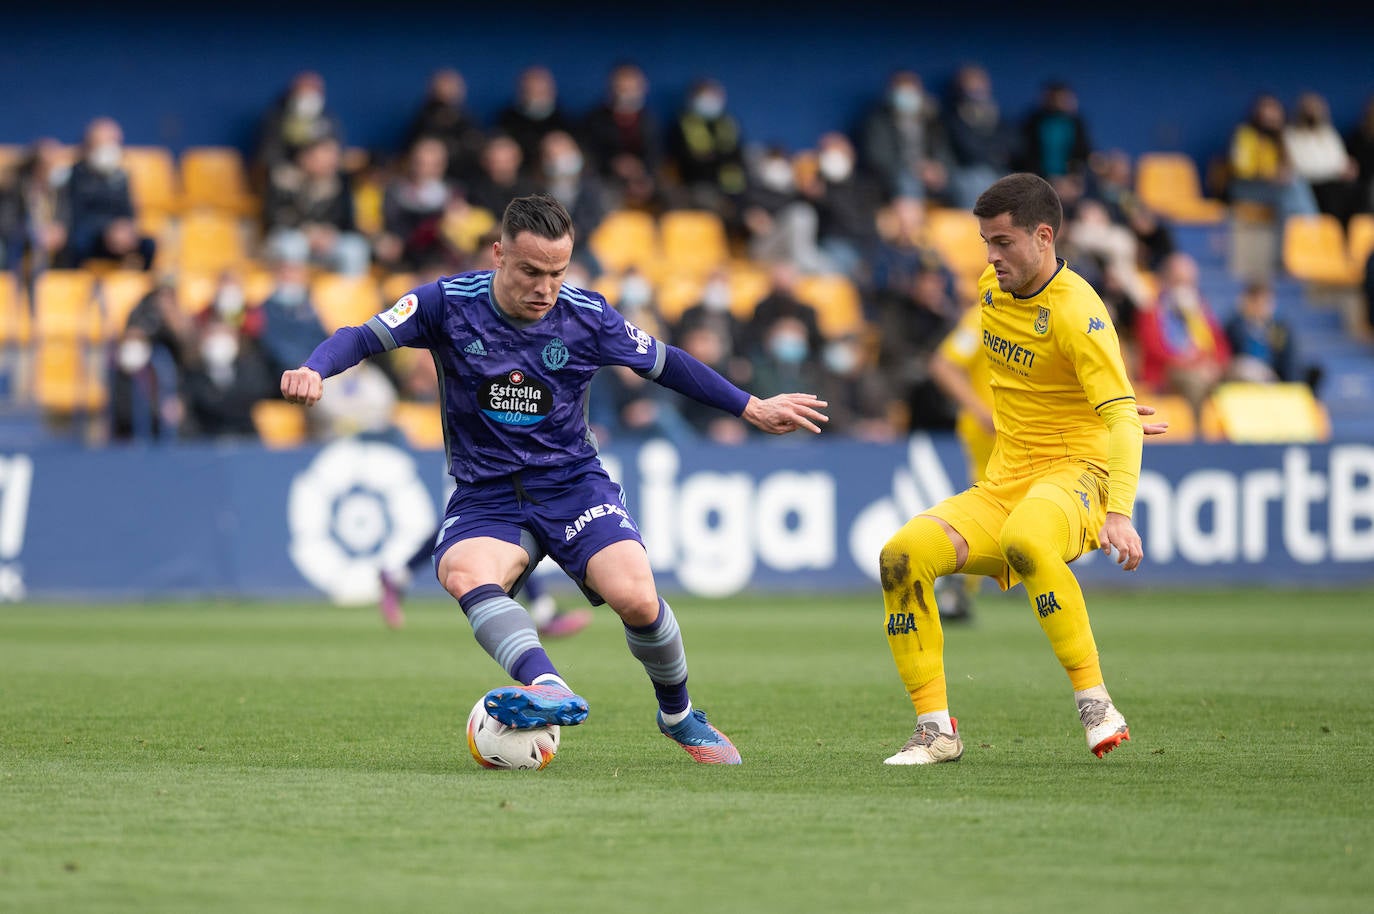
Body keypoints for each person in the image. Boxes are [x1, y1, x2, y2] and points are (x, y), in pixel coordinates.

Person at [281, 194, 828, 764]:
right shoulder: (446, 303)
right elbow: (362, 336)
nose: (545, 288)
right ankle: (548, 686)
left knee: (638, 599)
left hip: (572, 485)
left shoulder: (588, 316)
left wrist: (750, 406)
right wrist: (314, 369)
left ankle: (679, 716)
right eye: (530, 272)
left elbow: (668, 364)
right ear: (498, 254)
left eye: (557, 272)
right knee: (464, 572)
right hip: (488, 491)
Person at [878, 172, 1146, 766]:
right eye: (985, 243)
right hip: (1005, 478)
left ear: (1044, 237)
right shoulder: (990, 290)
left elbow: (1121, 418)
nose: (990, 257)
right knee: (901, 555)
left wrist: (1120, 512)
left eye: (1002, 242)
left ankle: (1096, 702)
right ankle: (935, 730)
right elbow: (1037, 382)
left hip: (1076, 474)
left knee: (1026, 537)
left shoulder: (1080, 313)